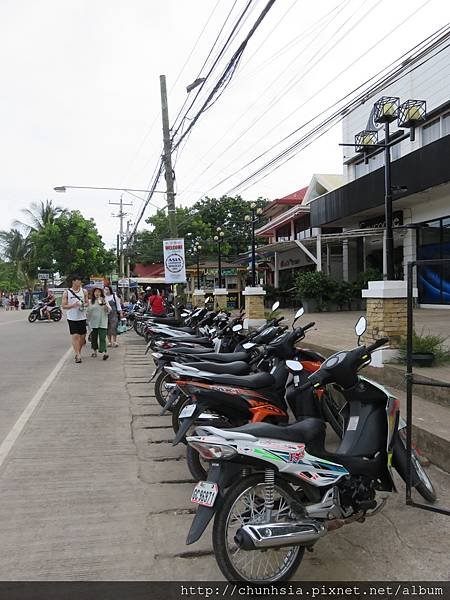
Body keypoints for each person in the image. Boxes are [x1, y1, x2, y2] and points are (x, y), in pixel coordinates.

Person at [61, 275, 88, 364]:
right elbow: (64, 306)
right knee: (75, 336)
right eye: (78, 280)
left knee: (82, 337)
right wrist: (73, 305)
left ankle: (78, 352)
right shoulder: (67, 292)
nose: (80, 282)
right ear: (73, 281)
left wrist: (84, 304)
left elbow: (87, 302)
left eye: (80, 281)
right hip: (72, 318)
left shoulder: (84, 291)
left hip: (82, 317)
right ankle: (78, 354)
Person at [87, 287, 111, 360]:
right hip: (93, 323)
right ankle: (94, 351)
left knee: (102, 337)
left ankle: (105, 353)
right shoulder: (90, 302)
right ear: (93, 293)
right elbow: (88, 312)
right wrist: (87, 320)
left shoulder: (104, 301)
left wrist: (104, 304)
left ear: (101, 293)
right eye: (95, 292)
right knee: (94, 338)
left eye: (99, 292)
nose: (97, 293)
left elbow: (109, 310)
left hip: (103, 322)